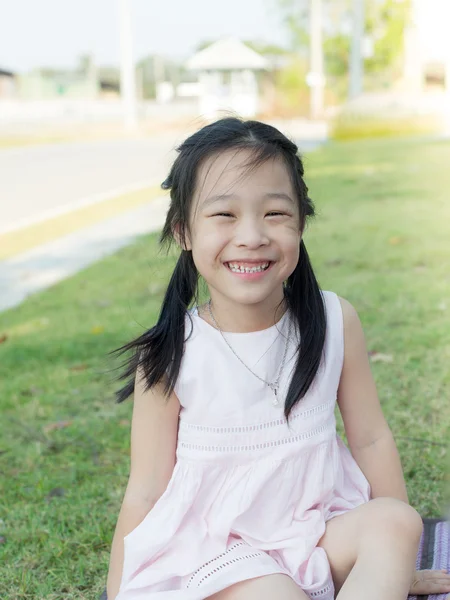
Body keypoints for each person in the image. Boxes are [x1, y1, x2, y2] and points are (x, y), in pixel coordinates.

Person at [106, 117, 450, 600]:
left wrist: (398, 565)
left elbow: (370, 439)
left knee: (397, 521)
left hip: (312, 533)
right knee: (276, 592)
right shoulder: (170, 353)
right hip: (217, 553)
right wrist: (119, 590)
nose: (251, 236)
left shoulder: (333, 321)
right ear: (183, 230)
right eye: (224, 215)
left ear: (300, 223)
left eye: (274, 214)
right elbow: (144, 490)